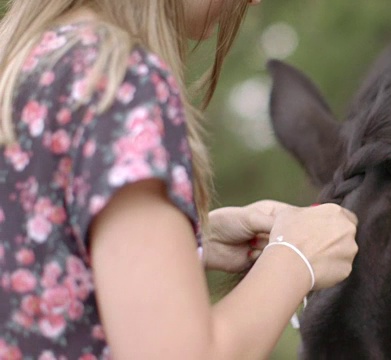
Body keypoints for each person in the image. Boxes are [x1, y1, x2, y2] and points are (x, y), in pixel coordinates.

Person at [0, 0, 359, 359]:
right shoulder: (118, 77)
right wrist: (297, 258)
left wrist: (193, 241)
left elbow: (39, 256)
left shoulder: (33, 64)